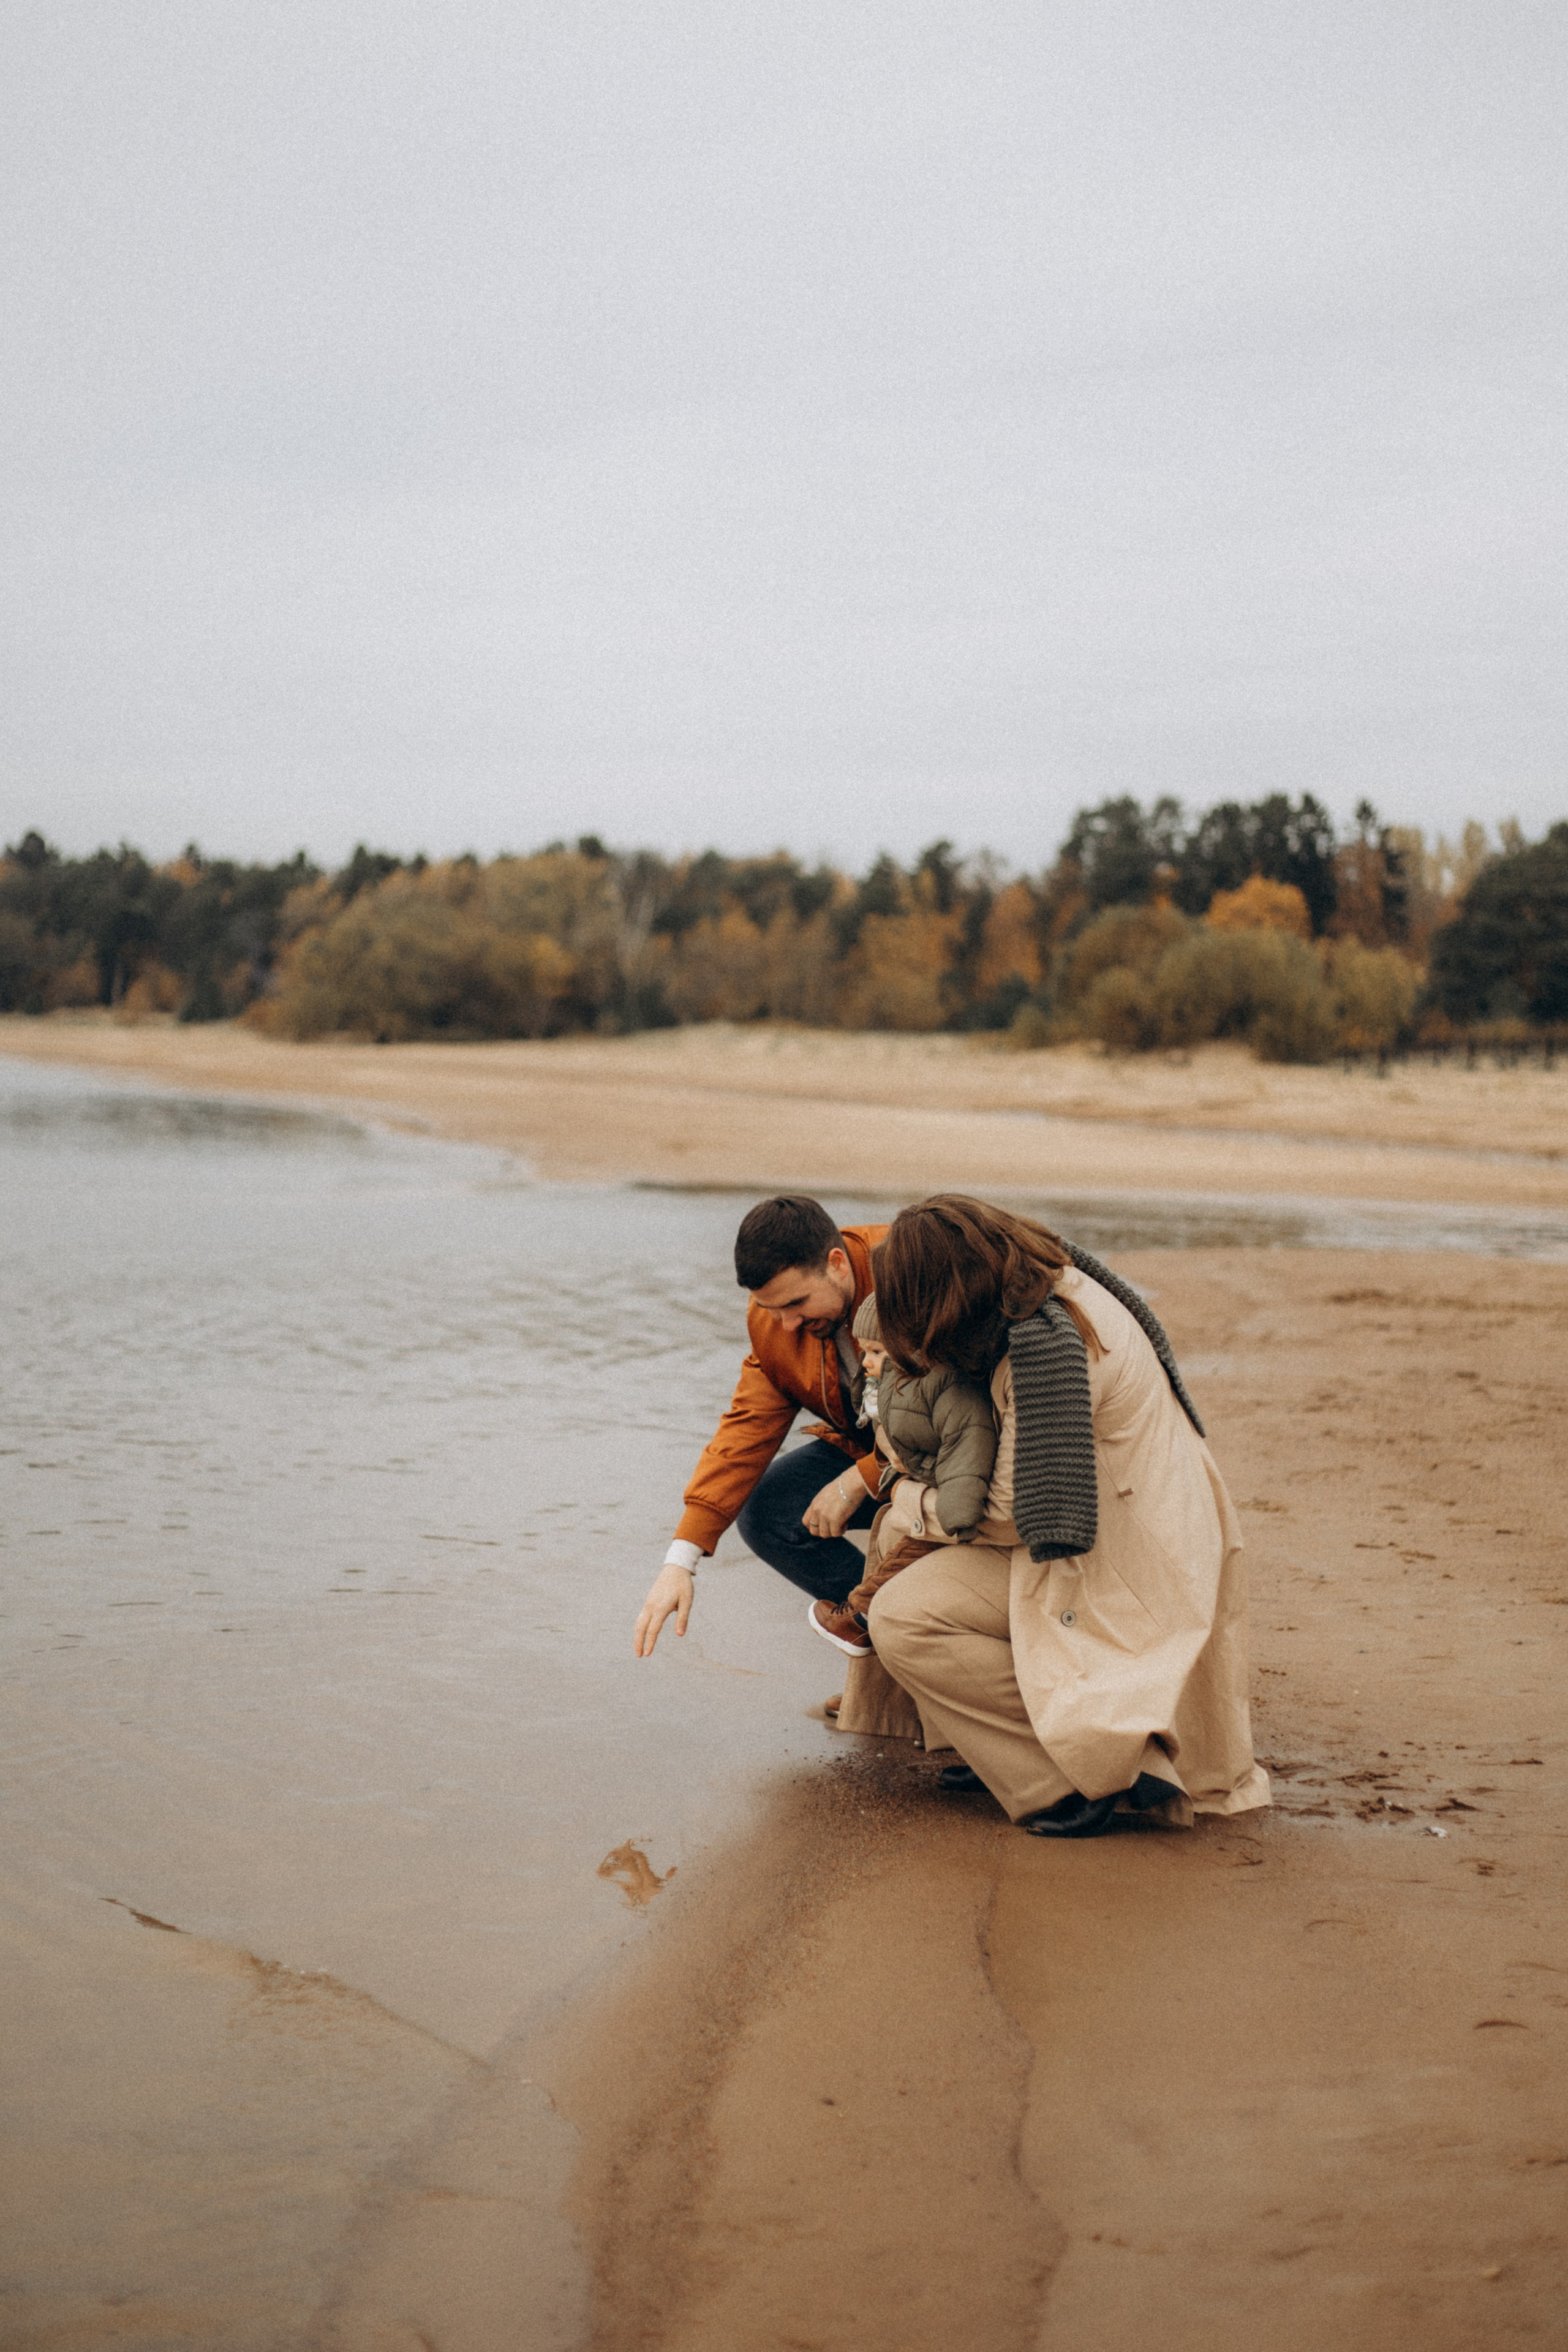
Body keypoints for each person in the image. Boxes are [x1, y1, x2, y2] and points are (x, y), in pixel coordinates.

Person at [859, 1196, 1270, 1839]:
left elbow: (1004, 1516)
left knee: (904, 1616)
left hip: (1124, 1555)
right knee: (899, 1552)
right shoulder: (1036, 1284)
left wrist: (906, 1498)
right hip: (1115, 1520)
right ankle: (997, 1742)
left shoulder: (1051, 1350)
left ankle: (1084, 1772)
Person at [633, 1195, 887, 1661]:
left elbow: (961, 1422)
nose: (786, 1324)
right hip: (876, 1449)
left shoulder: (910, 1276)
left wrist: (861, 1479)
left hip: (956, 1458)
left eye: (796, 1303)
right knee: (770, 1510)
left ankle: (923, 1647)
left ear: (837, 1264)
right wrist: (679, 1562)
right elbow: (744, 1433)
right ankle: (891, 1651)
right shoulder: (777, 1323)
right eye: (771, 1308)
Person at [806, 1291, 1000, 1659]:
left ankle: (859, 1618)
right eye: (863, 1352)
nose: (866, 1362)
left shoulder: (948, 1389)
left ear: (910, 1349)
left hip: (948, 1504)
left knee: (904, 1553)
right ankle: (864, 1651)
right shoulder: (895, 1388)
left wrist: (955, 1513)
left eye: (877, 1353)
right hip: (920, 1486)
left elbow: (967, 1446)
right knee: (894, 1545)